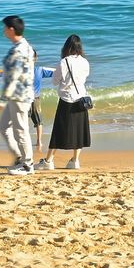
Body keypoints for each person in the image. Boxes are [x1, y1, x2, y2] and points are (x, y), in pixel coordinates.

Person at [35, 34, 90, 170]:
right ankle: (75, 161)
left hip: (67, 100)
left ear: (67, 47)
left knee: (58, 132)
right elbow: (84, 78)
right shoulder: (85, 62)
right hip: (81, 99)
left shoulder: (64, 62)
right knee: (79, 132)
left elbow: (55, 81)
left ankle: (48, 161)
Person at [0, 50, 54, 155]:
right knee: (37, 122)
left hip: (26, 100)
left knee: (29, 122)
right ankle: (37, 142)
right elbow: (57, 71)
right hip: (31, 99)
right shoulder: (39, 70)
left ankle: (34, 142)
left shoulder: (27, 70)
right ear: (36, 59)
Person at [0, 15, 36, 176]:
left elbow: (14, 77)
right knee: (3, 127)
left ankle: (27, 165)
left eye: (5, 28)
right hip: (19, 94)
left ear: (11, 30)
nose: (3, 31)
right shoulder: (25, 46)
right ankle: (20, 157)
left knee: (21, 130)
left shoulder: (19, 50)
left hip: (19, 96)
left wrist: (3, 99)